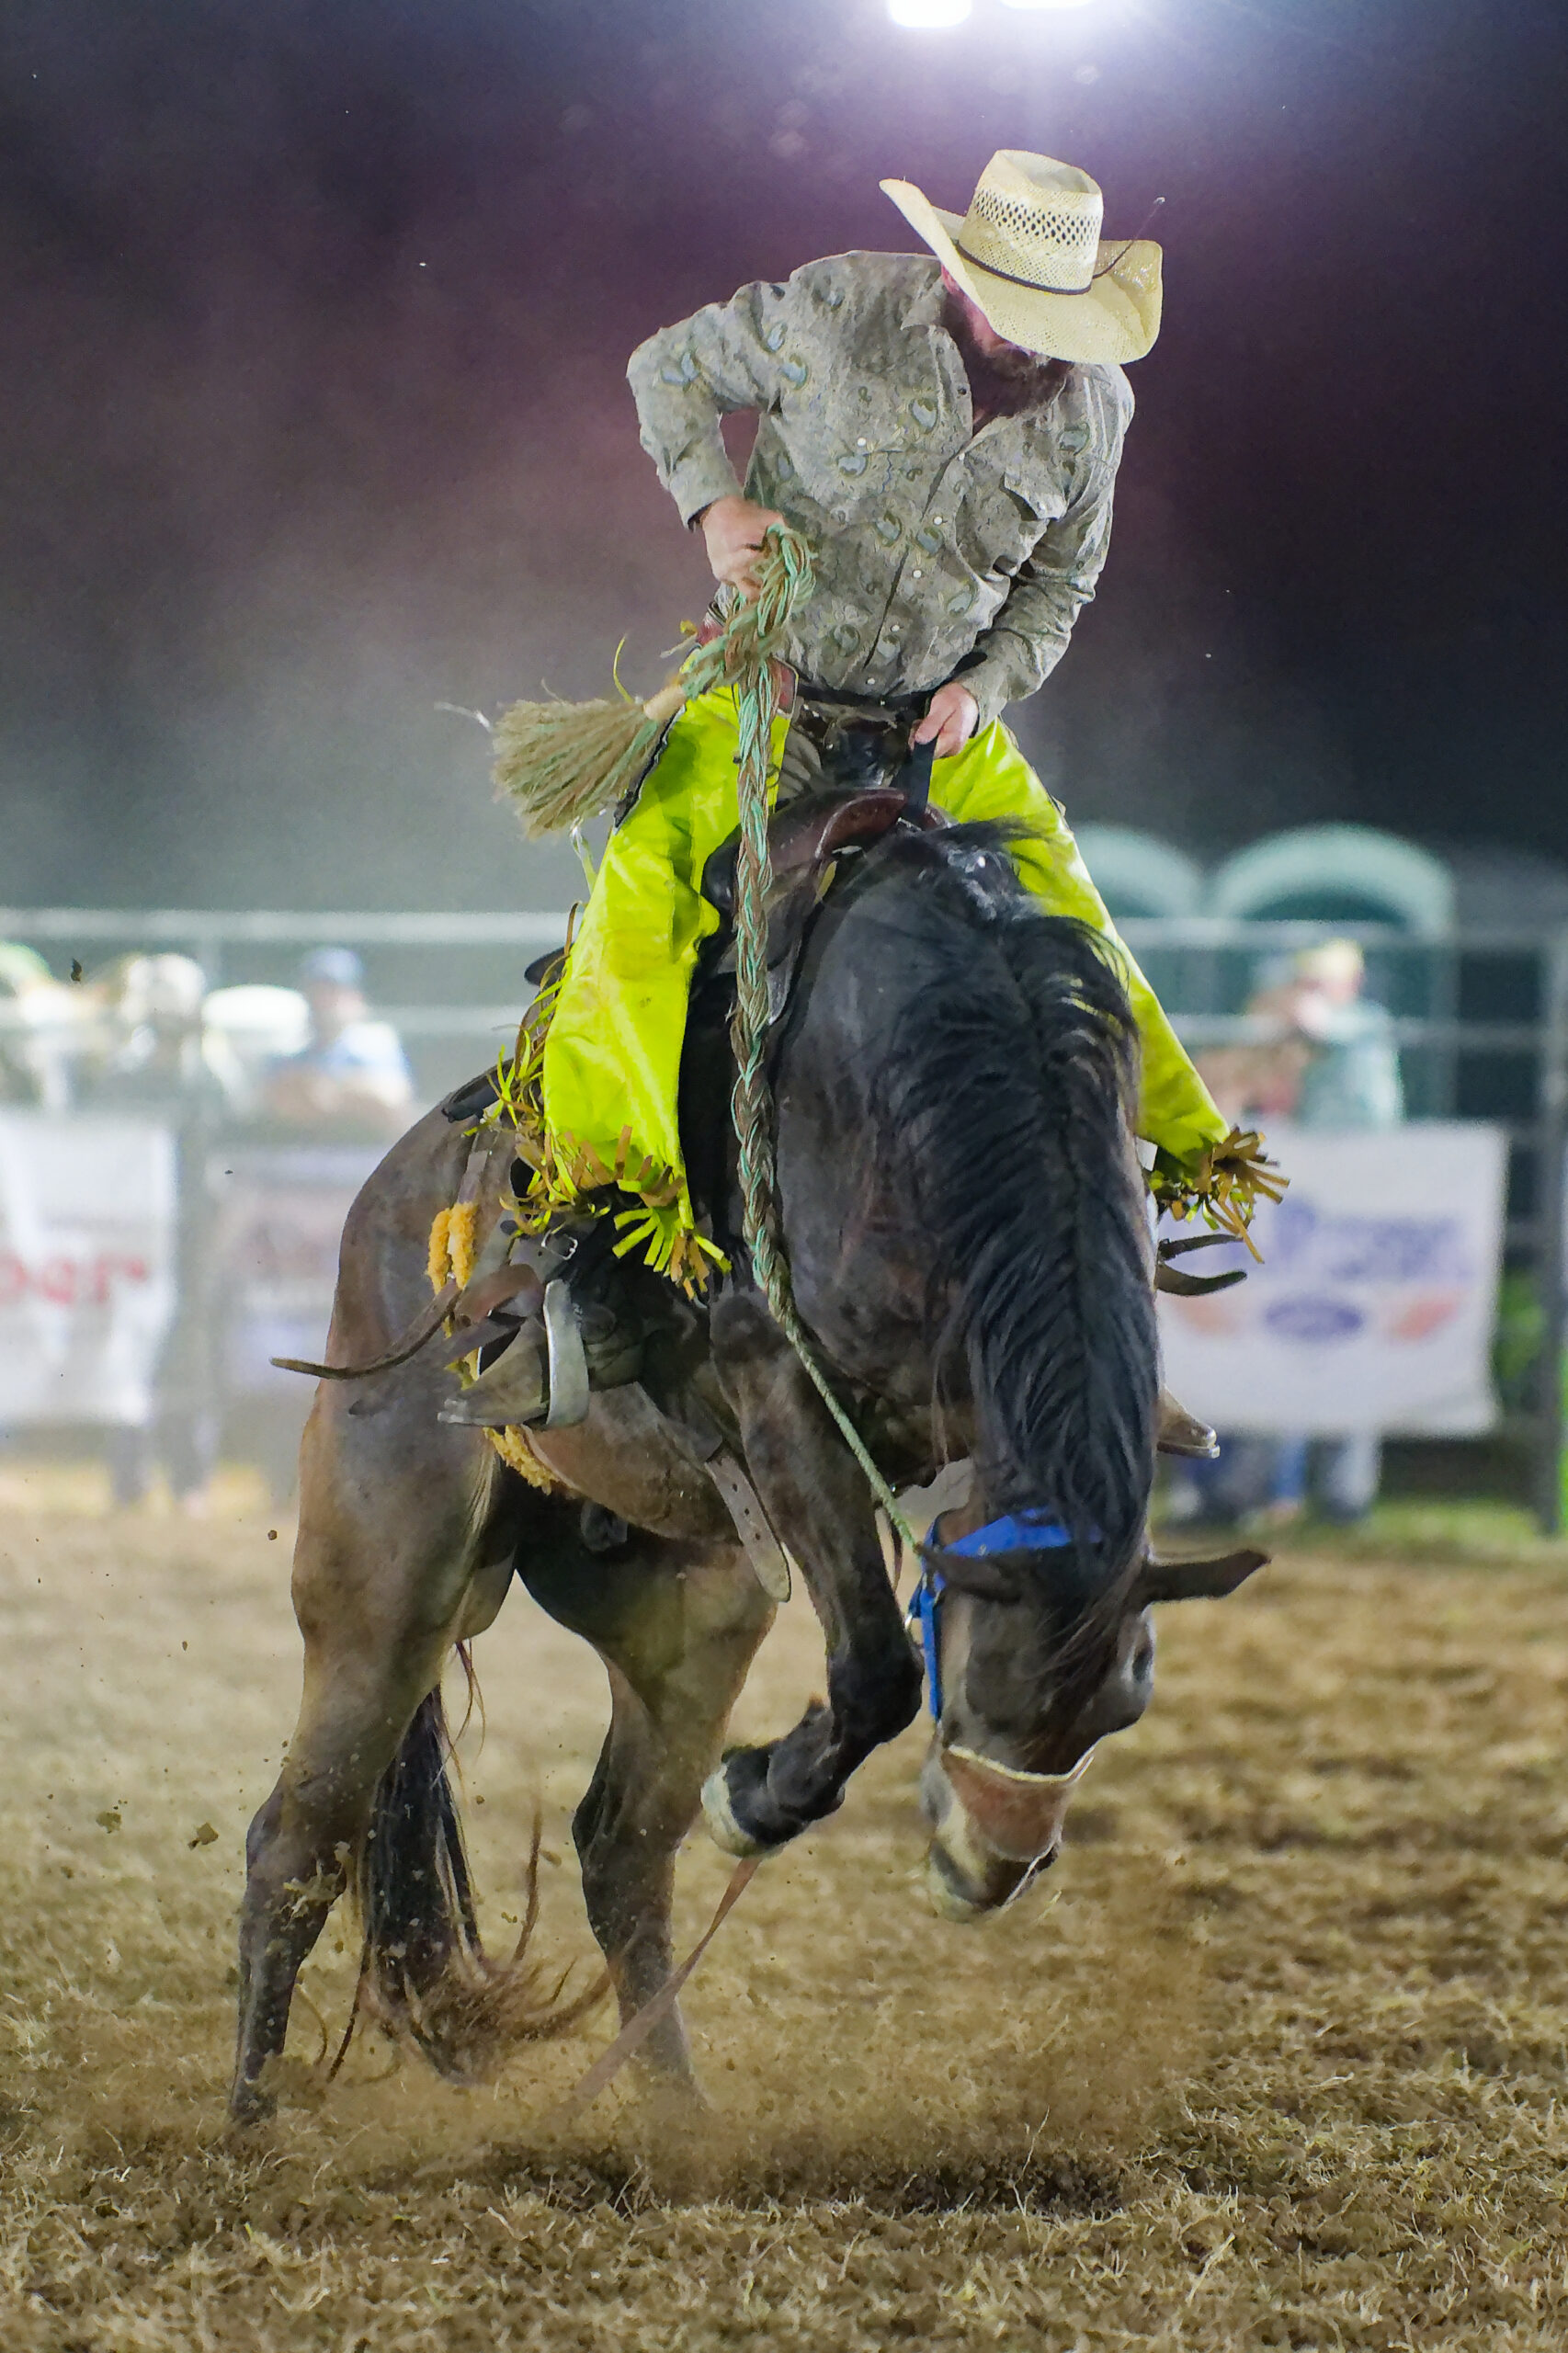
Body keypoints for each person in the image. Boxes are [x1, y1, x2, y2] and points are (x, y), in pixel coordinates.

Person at [537, 153, 1241, 1284]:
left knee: (1073, 916)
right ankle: (610, 1221)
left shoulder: (1095, 413)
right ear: (962, 280)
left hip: (933, 729)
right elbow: (665, 368)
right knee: (640, 901)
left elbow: (1058, 591)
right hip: (762, 692)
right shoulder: (834, 306)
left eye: (1053, 323)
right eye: (1012, 313)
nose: (1032, 344)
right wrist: (712, 503)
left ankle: (1168, 1176)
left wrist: (987, 687)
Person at [89, 954, 237, 1511]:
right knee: (126, 1348)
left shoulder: (208, 1081)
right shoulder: (124, 1080)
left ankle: (188, 1478)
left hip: (192, 1234)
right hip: (134, 1237)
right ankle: (128, 1477)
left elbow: (227, 1163)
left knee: (192, 1352)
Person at [262, 947, 415, 1138]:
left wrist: (327, 1091)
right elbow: (276, 1103)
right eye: (317, 992)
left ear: (356, 998)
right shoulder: (288, 1047)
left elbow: (392, 1102)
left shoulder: (376, 1045)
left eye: (334, 992)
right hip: (306, 1151)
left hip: (365, 1151)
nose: (324, 1002)